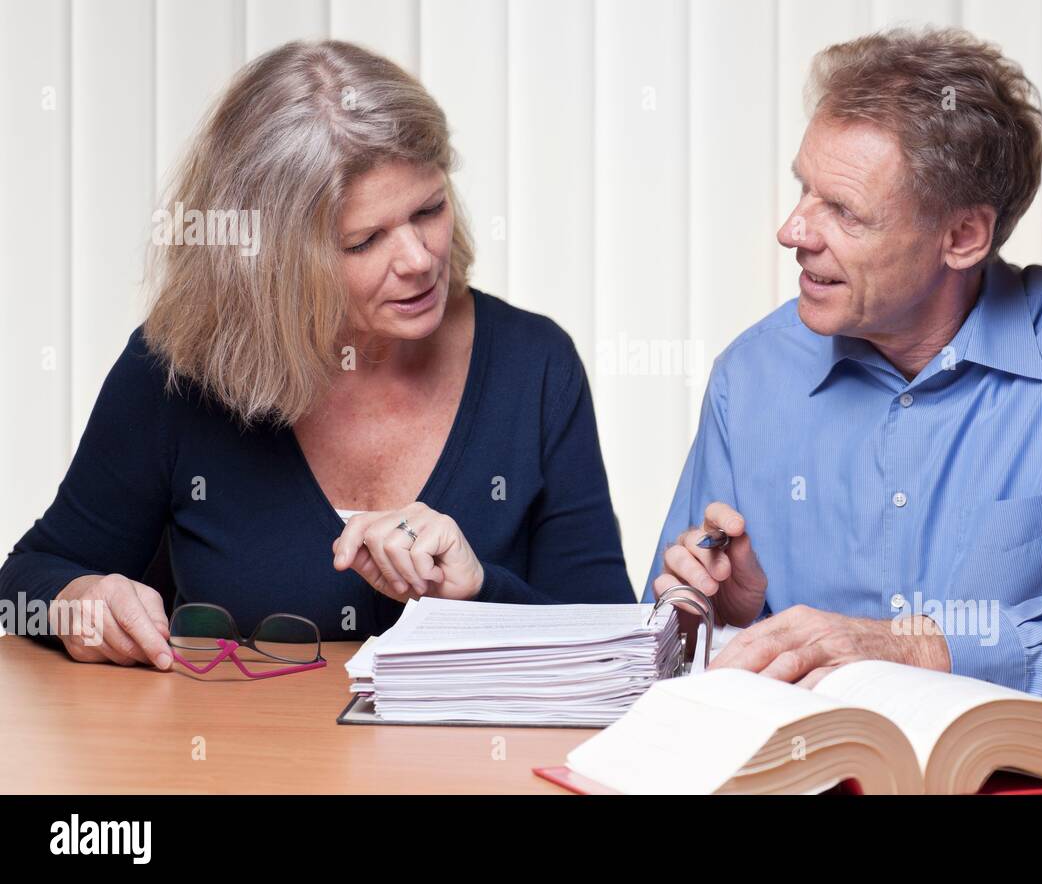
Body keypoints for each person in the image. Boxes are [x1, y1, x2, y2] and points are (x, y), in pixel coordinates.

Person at [646, 27, 1042, 699]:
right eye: (804, 190)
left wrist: (915, 646)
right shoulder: (751, 376)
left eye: (844, 211)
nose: (794, 230)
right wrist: (729, 615)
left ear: (962, 237)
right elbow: (662, 646)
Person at [0, 39, 633, 670]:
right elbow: (21, 586)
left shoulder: (535, 364)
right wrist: (78, 604)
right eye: (363, 241)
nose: (418, 259)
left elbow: (615, 644)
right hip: (237, 766)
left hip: (469, 770)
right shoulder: (177, 370)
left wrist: (477, 592)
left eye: (429, 209)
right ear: (271, 264)